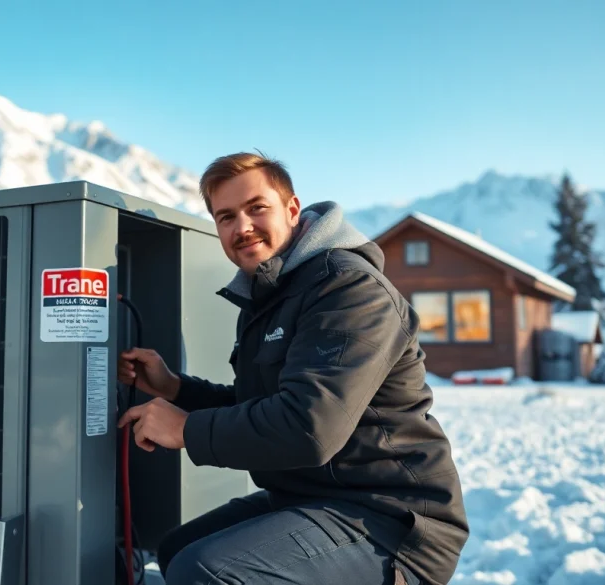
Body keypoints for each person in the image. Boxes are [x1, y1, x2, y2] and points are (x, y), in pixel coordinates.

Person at [117, 152, 468, 585]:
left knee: (206, 572)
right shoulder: (271, 292)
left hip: (392, 520)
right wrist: (174, 388)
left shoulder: (348, 288)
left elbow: (309, 425)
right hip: (311, 497)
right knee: (175, 552)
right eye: (226, 217)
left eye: (255, 208)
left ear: (293, 210)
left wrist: (186, 428)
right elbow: (262, 405)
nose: (241, 227)